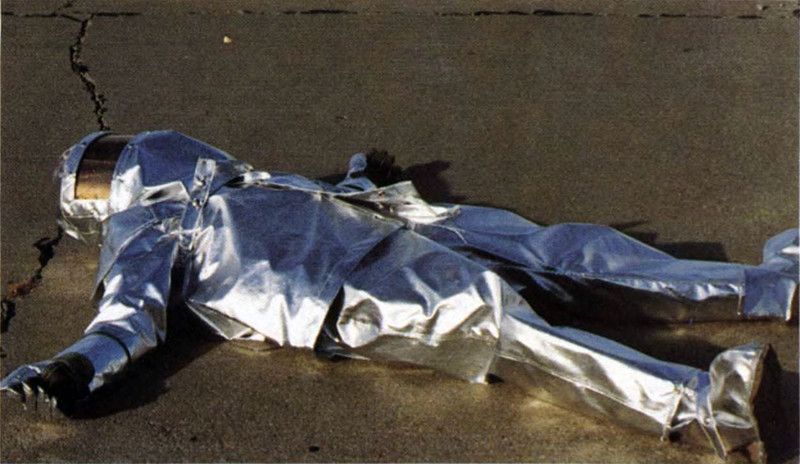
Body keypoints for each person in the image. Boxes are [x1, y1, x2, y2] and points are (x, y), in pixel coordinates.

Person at [1, 131, 797, 463]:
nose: (127, 156)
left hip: (402, 224)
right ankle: (702, 408)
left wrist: (362, 177)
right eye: (102, 168)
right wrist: (71, 368)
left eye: (108, 153)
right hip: (348, 290)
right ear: (96, 201)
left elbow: (316, 197)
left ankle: (775, 284)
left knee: (578, 255)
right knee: (503, 328)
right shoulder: (147, 226)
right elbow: (127, 316)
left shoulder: (238, 179)